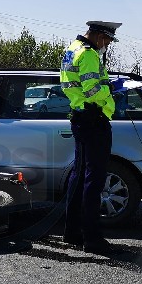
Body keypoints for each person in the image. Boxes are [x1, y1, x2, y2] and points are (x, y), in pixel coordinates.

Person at [59, 20, 122, 253]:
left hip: (79, 116)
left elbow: (73, 86)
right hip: (94, 119)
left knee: (79, 176)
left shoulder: (71, 49)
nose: (107, 44)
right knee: (93, 181)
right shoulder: (88, 55)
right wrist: (114, 88)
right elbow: (93, 90)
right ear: (97, 35)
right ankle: (92, 239)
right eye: (106, 40)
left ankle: (72, 232)